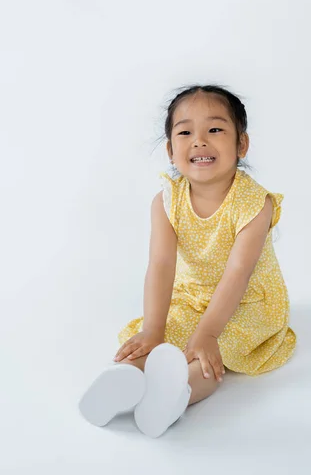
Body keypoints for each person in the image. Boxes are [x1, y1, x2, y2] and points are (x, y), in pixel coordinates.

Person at [78, 84, 297, 438]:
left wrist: (208, 333)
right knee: (159, 338)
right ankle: (123, 379)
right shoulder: (166, 201)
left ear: (241, 144)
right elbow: (161, 266)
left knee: (209, 354)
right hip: (192, 298)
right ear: (170, 150)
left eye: (215, 129)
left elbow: (238, 273)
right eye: (185, 132)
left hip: (247, 302)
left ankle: (176, 395)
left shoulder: (254, 203)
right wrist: (152, 328)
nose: (199, 141)